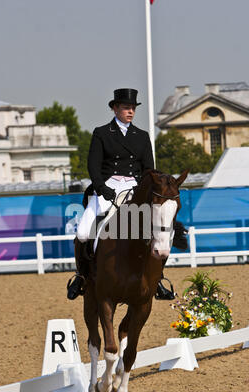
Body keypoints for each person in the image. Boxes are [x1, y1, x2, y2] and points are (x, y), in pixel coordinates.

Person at [67, 88, 175, 300]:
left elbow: (149, 170)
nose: (130, 111)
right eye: (126, 107)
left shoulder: (142, 136)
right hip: (108, 186)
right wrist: (102, 188)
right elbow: (93, 165)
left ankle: (159, 278)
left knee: (158, 233)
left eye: (133, 108)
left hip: (135, 189)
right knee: (82, 232)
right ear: (115, 108)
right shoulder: (102, 133)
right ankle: (81, 276)